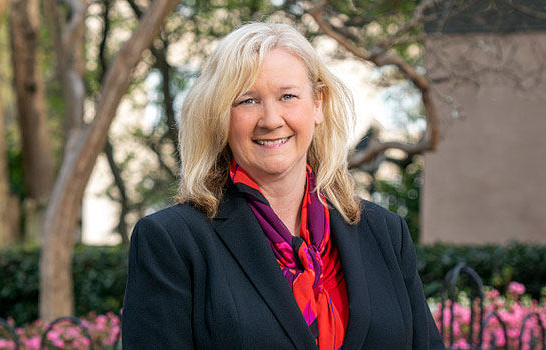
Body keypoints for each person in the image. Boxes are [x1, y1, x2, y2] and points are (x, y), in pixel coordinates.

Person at [121, 22, 444, 349]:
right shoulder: (172, 241)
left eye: (288, 96)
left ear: (317, 104)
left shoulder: (385, 233)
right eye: (247, 100)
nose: (271, 119)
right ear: (219, 115)